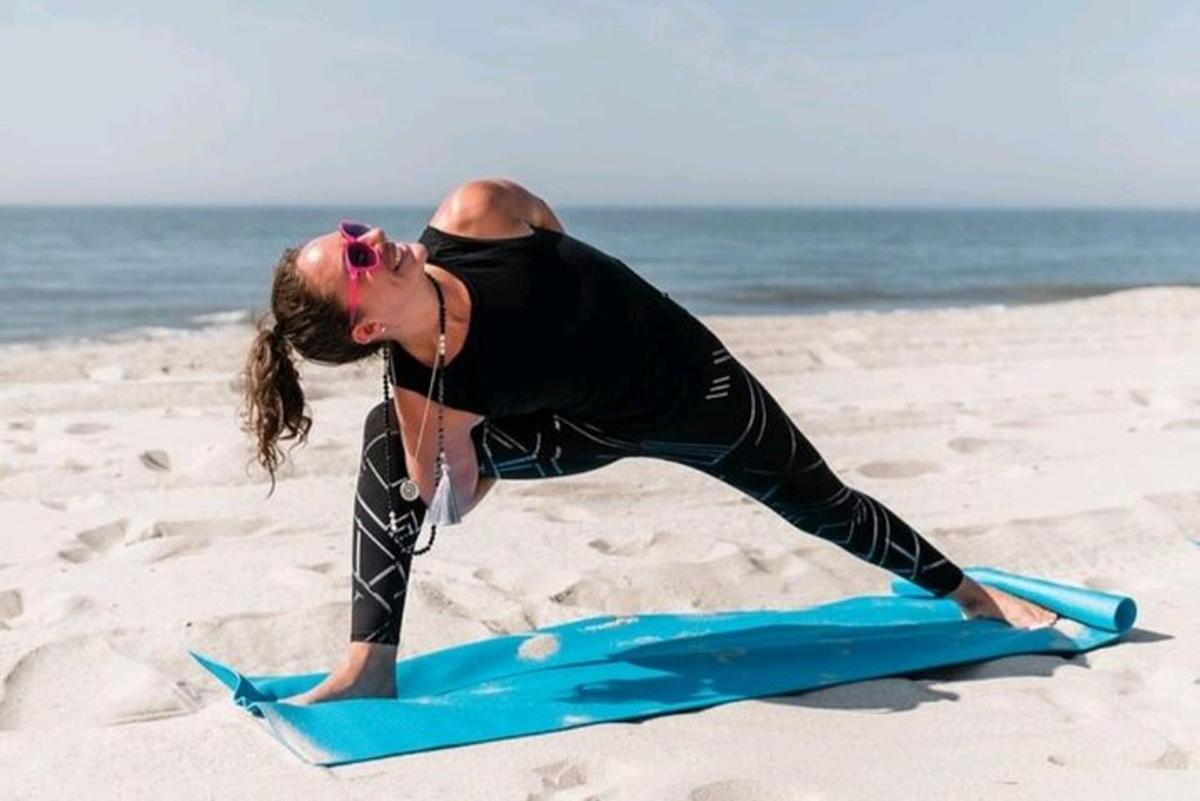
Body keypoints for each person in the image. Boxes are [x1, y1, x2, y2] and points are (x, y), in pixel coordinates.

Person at [241, 177, 1057, 704]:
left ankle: (969, 593)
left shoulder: (476, 213)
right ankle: (367, 665)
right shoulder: (424, 392)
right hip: (586, 427)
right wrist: (452, 448)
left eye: (353, 227)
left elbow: (553, 236)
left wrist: (577, 327)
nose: (372, 234)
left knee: (821, 503)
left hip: (693, 388)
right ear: (370, 324)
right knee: (388, 437)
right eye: (355, 256)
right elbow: (447, 499)